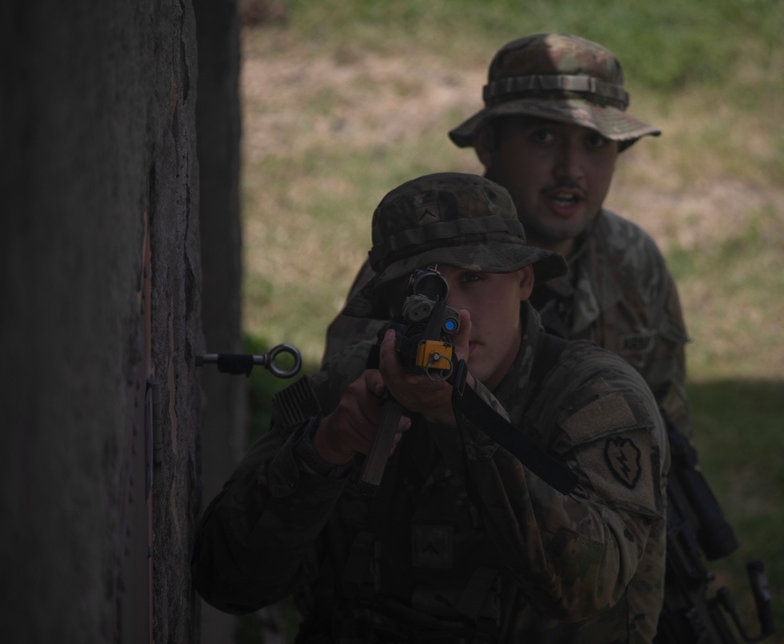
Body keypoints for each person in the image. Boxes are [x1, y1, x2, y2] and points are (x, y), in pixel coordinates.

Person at [193, 172, 669, 643]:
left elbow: (585, 587)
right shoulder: (348, 388)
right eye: (425, 290)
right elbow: (225, 580)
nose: (453, 314)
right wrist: (323, 452)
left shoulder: (594, 398)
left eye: (474, 278)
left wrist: (461, 416)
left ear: (524, 280)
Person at [323, 33, 692, 439]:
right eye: (543, 137)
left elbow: (666, 421)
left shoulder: (632, 258)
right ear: (488, 145)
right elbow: (340, 407)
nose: (572, 169)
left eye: (595, 142)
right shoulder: (423, 263)